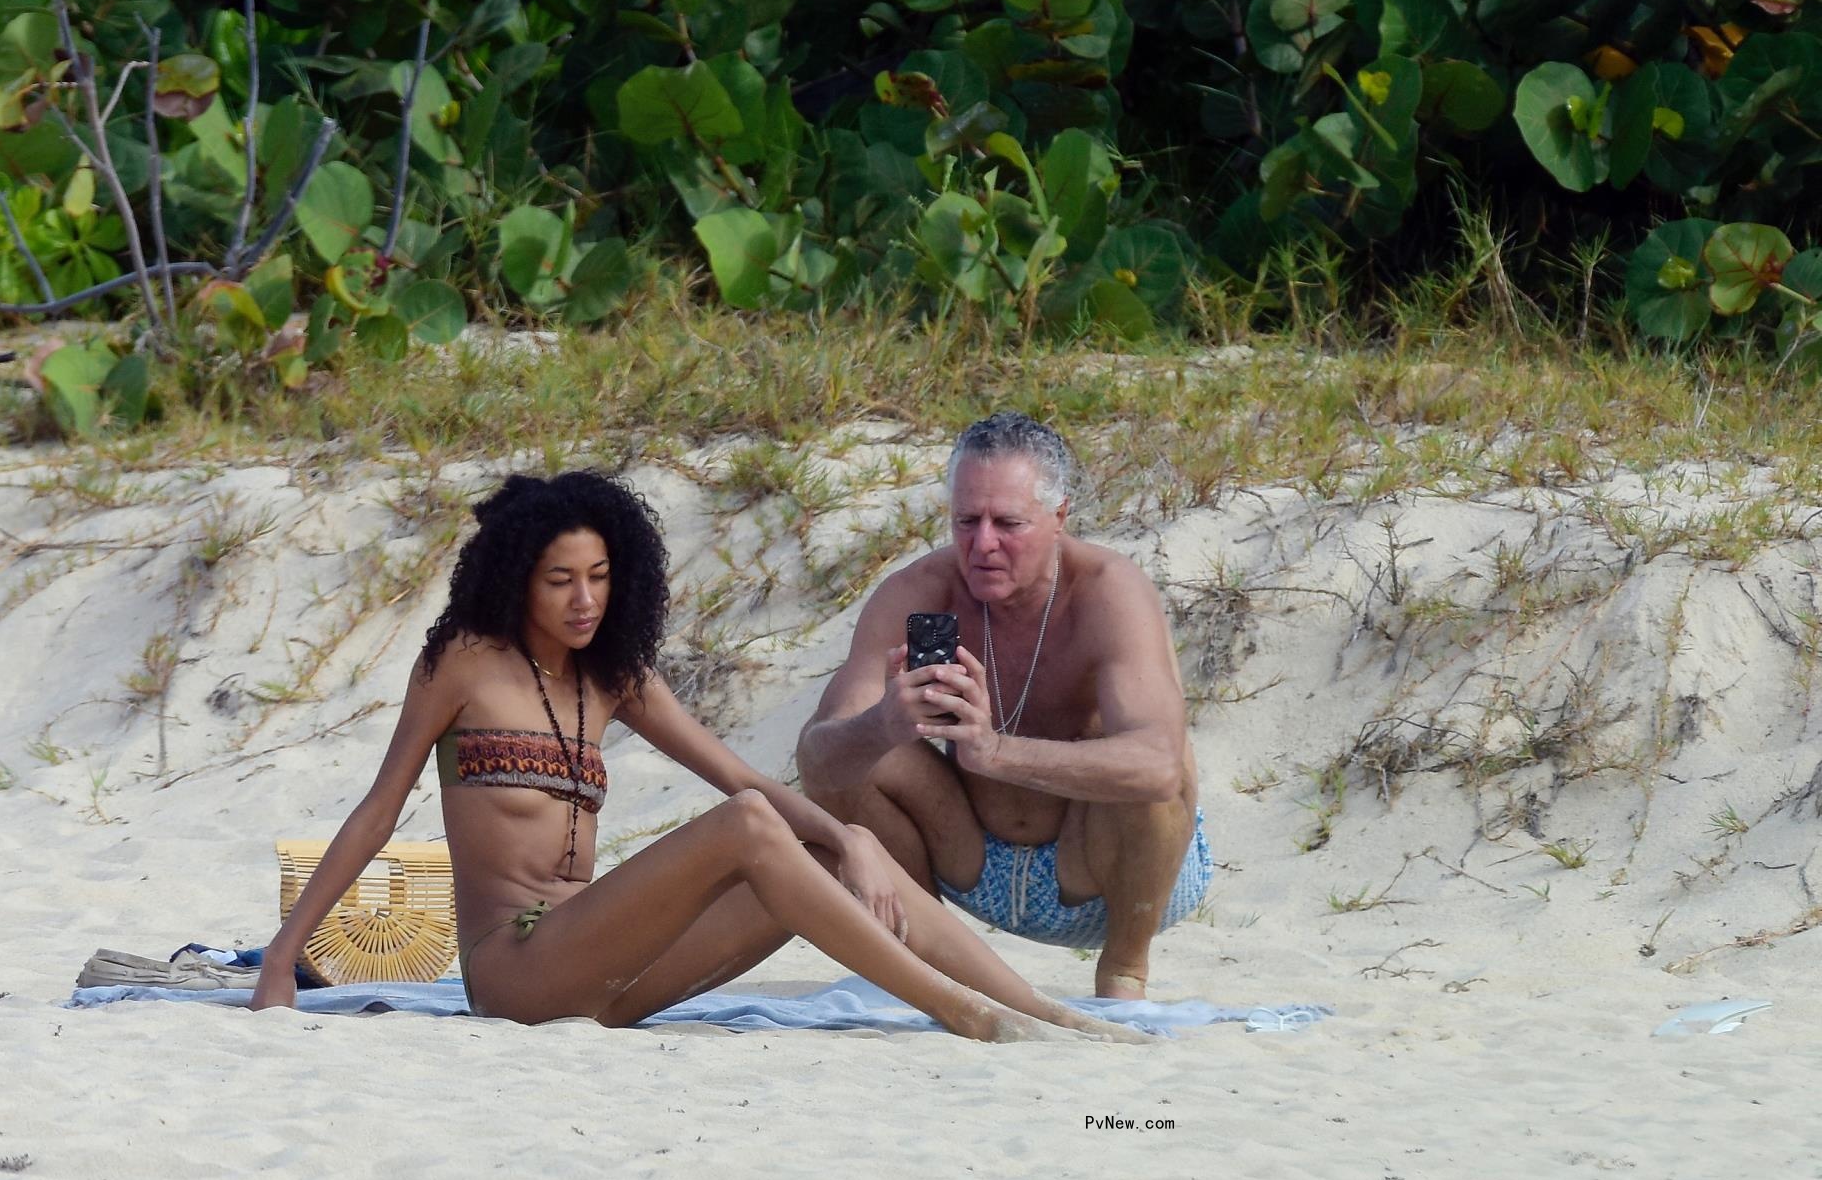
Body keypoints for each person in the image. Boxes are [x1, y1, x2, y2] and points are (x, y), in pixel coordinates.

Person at [250, 469, 1146, 1043]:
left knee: (807, 850)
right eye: (560, 580)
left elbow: (739, 772)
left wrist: (855, 843)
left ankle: (1042, 1011)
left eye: (600, 578)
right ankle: (961, 1011)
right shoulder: (463, 666)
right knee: (755, 828)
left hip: (617, 976)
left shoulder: (616, 677)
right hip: (519, 967)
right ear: (517, 577)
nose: (584, 600)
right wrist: (283, 961)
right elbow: (379, 809)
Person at [796, 413, 1210, 999]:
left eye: (1008, 523)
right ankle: (922, 953)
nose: (982, 544)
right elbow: (816, 764)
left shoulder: (1107, 592)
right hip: (968, 856)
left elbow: (1160, 767)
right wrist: (882, 724)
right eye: (966, 521)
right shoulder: (921, 591)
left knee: (1153, 768)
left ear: (1059, 517)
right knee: (863, 749)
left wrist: (995, 752)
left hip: (1098, 868)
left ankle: (1124, 973)